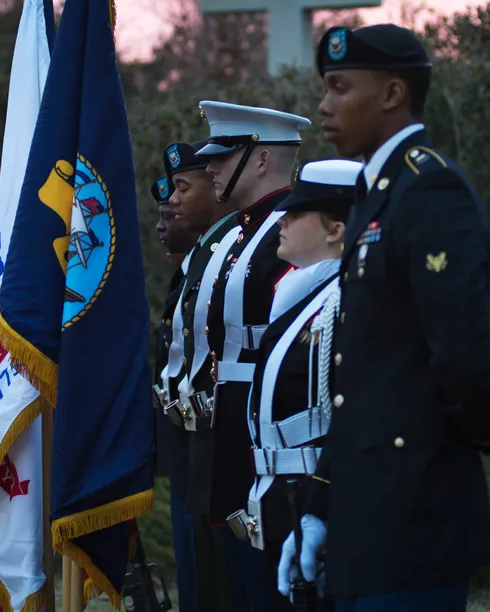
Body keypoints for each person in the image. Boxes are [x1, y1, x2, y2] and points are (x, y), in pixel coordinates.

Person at [278, 24, 490, 612]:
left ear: (391, 94)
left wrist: (481, 430)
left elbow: (462, 352)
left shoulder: (428, 190)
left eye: (339, 87)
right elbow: (359, 382)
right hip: (367, 516)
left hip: (416, 511)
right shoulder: (375, 196)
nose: (324, 105)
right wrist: (319, 507)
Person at [189, 101, 311, 612]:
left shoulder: (291, 231)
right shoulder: (243, 232)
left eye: (224, 155)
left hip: (272, 446)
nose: (210, 166)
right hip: (235, 441)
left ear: (260, 160)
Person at [232, 159, 361, 612]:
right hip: (276, 496)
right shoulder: (301, 297)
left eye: (298, 212)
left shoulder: (349, 301)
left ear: (336, 230)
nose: (281, 220)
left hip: (314, 496)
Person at [159, 140, 236, 612]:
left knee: (219, 584)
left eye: (184, 187)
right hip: (189, 441)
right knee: (197, 582)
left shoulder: (229, 256)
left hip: (220, 441)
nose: (172, 200)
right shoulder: (198, 263)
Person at [150, 172, 199, 612]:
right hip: (185, 453)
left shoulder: (204, 275)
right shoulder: (185, 276)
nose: (162, 226)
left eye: (171, 213)